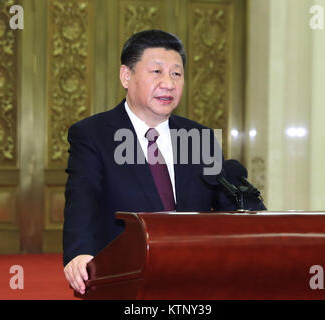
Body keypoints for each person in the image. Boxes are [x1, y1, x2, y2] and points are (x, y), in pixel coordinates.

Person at [62, 29, 263, 295]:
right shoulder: (93, 134)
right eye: (156, 72)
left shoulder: (199, 137)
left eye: (176, 74)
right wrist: (79, 252)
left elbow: (227, 200)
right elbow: (82, 199)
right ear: (126, 76)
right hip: (124, 281)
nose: (168, 83)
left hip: (194, 280)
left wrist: (259, 229)